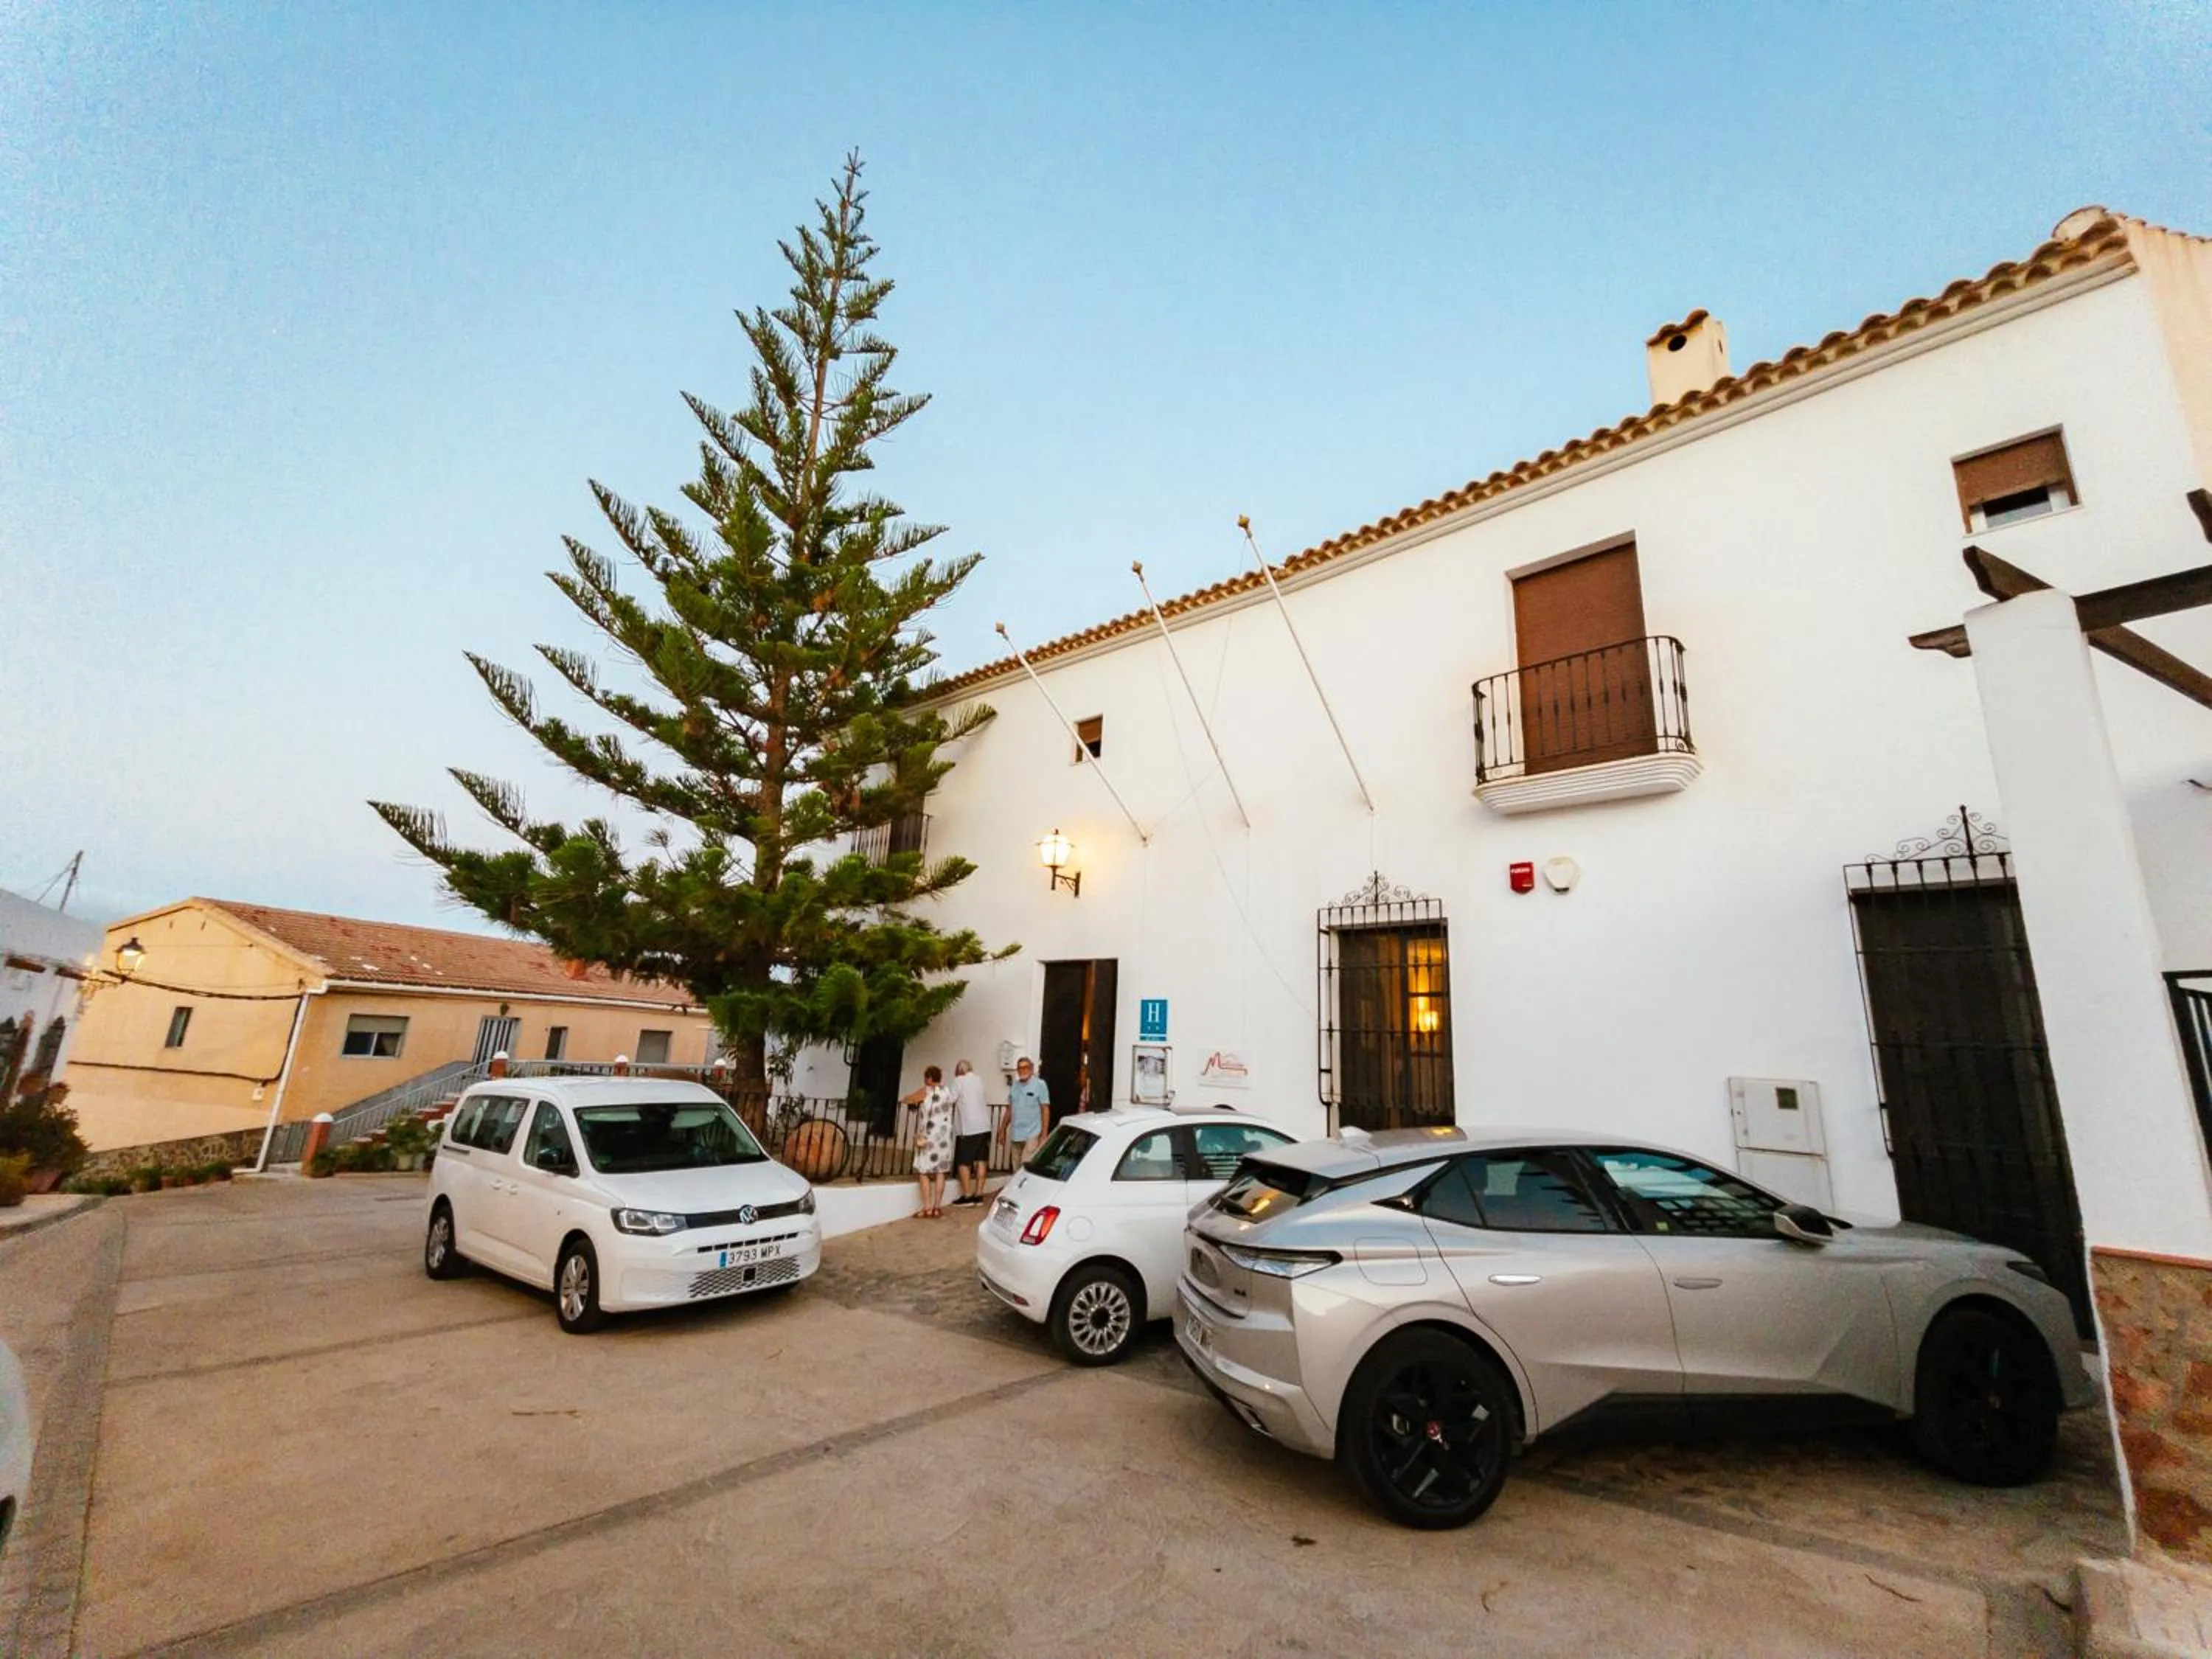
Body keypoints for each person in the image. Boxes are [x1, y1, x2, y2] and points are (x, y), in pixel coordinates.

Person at [900, 1065, 953, 1218]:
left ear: (929, 1078)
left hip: (929, 1137)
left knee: (924, 1171)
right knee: (940, 1172)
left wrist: (908, 1099)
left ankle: (927, 1207)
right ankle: (937, 1207)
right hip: (944, 1138)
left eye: (925, 1077)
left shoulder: (926, 1091)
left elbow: (908, 1099)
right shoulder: (947, 1091)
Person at [949, 1059, 992, 1206]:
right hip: (985, 1126)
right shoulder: (979, 1080)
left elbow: (951, 1099)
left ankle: (967, 1196)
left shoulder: (958, 1081)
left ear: (959, 1070)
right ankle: (978, 1195)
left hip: (970, 1128)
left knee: (963, 1162)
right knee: (981, 1161)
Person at [1006, 1055, 1051, 1168]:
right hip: (1016, 1135)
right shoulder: (1014, 1086)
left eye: (1025, 1067)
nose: (1022, 1070)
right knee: (1016, 1169)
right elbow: (1010, 1109)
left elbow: (1045, 1110)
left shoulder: (1040, 1084)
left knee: (1026, 1167)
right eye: (1020, 1068)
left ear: (1031, 1069)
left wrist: (1044, 1135)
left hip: (1032, 1134)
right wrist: (1002, 1130)